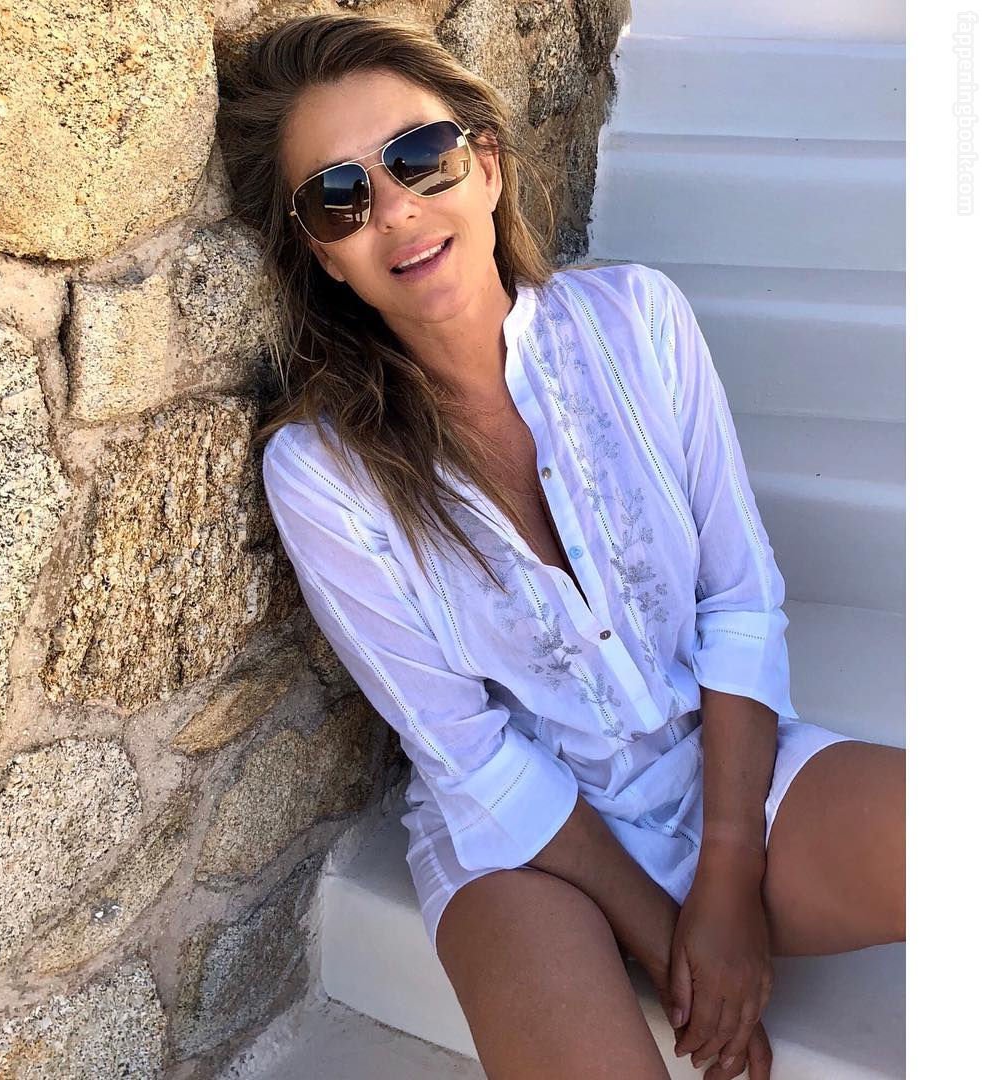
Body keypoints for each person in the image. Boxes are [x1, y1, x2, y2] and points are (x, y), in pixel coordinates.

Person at [218, 13, 905, 1080]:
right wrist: (674, 944)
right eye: (340, 196)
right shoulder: (322, 472)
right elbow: (471, 754)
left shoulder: (640, 321)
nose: (395, 207)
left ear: (486, 167)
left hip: (722, 765)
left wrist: (727, 877)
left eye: (419, 156)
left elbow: (737, 599)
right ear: (325, 257)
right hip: (522, 848)